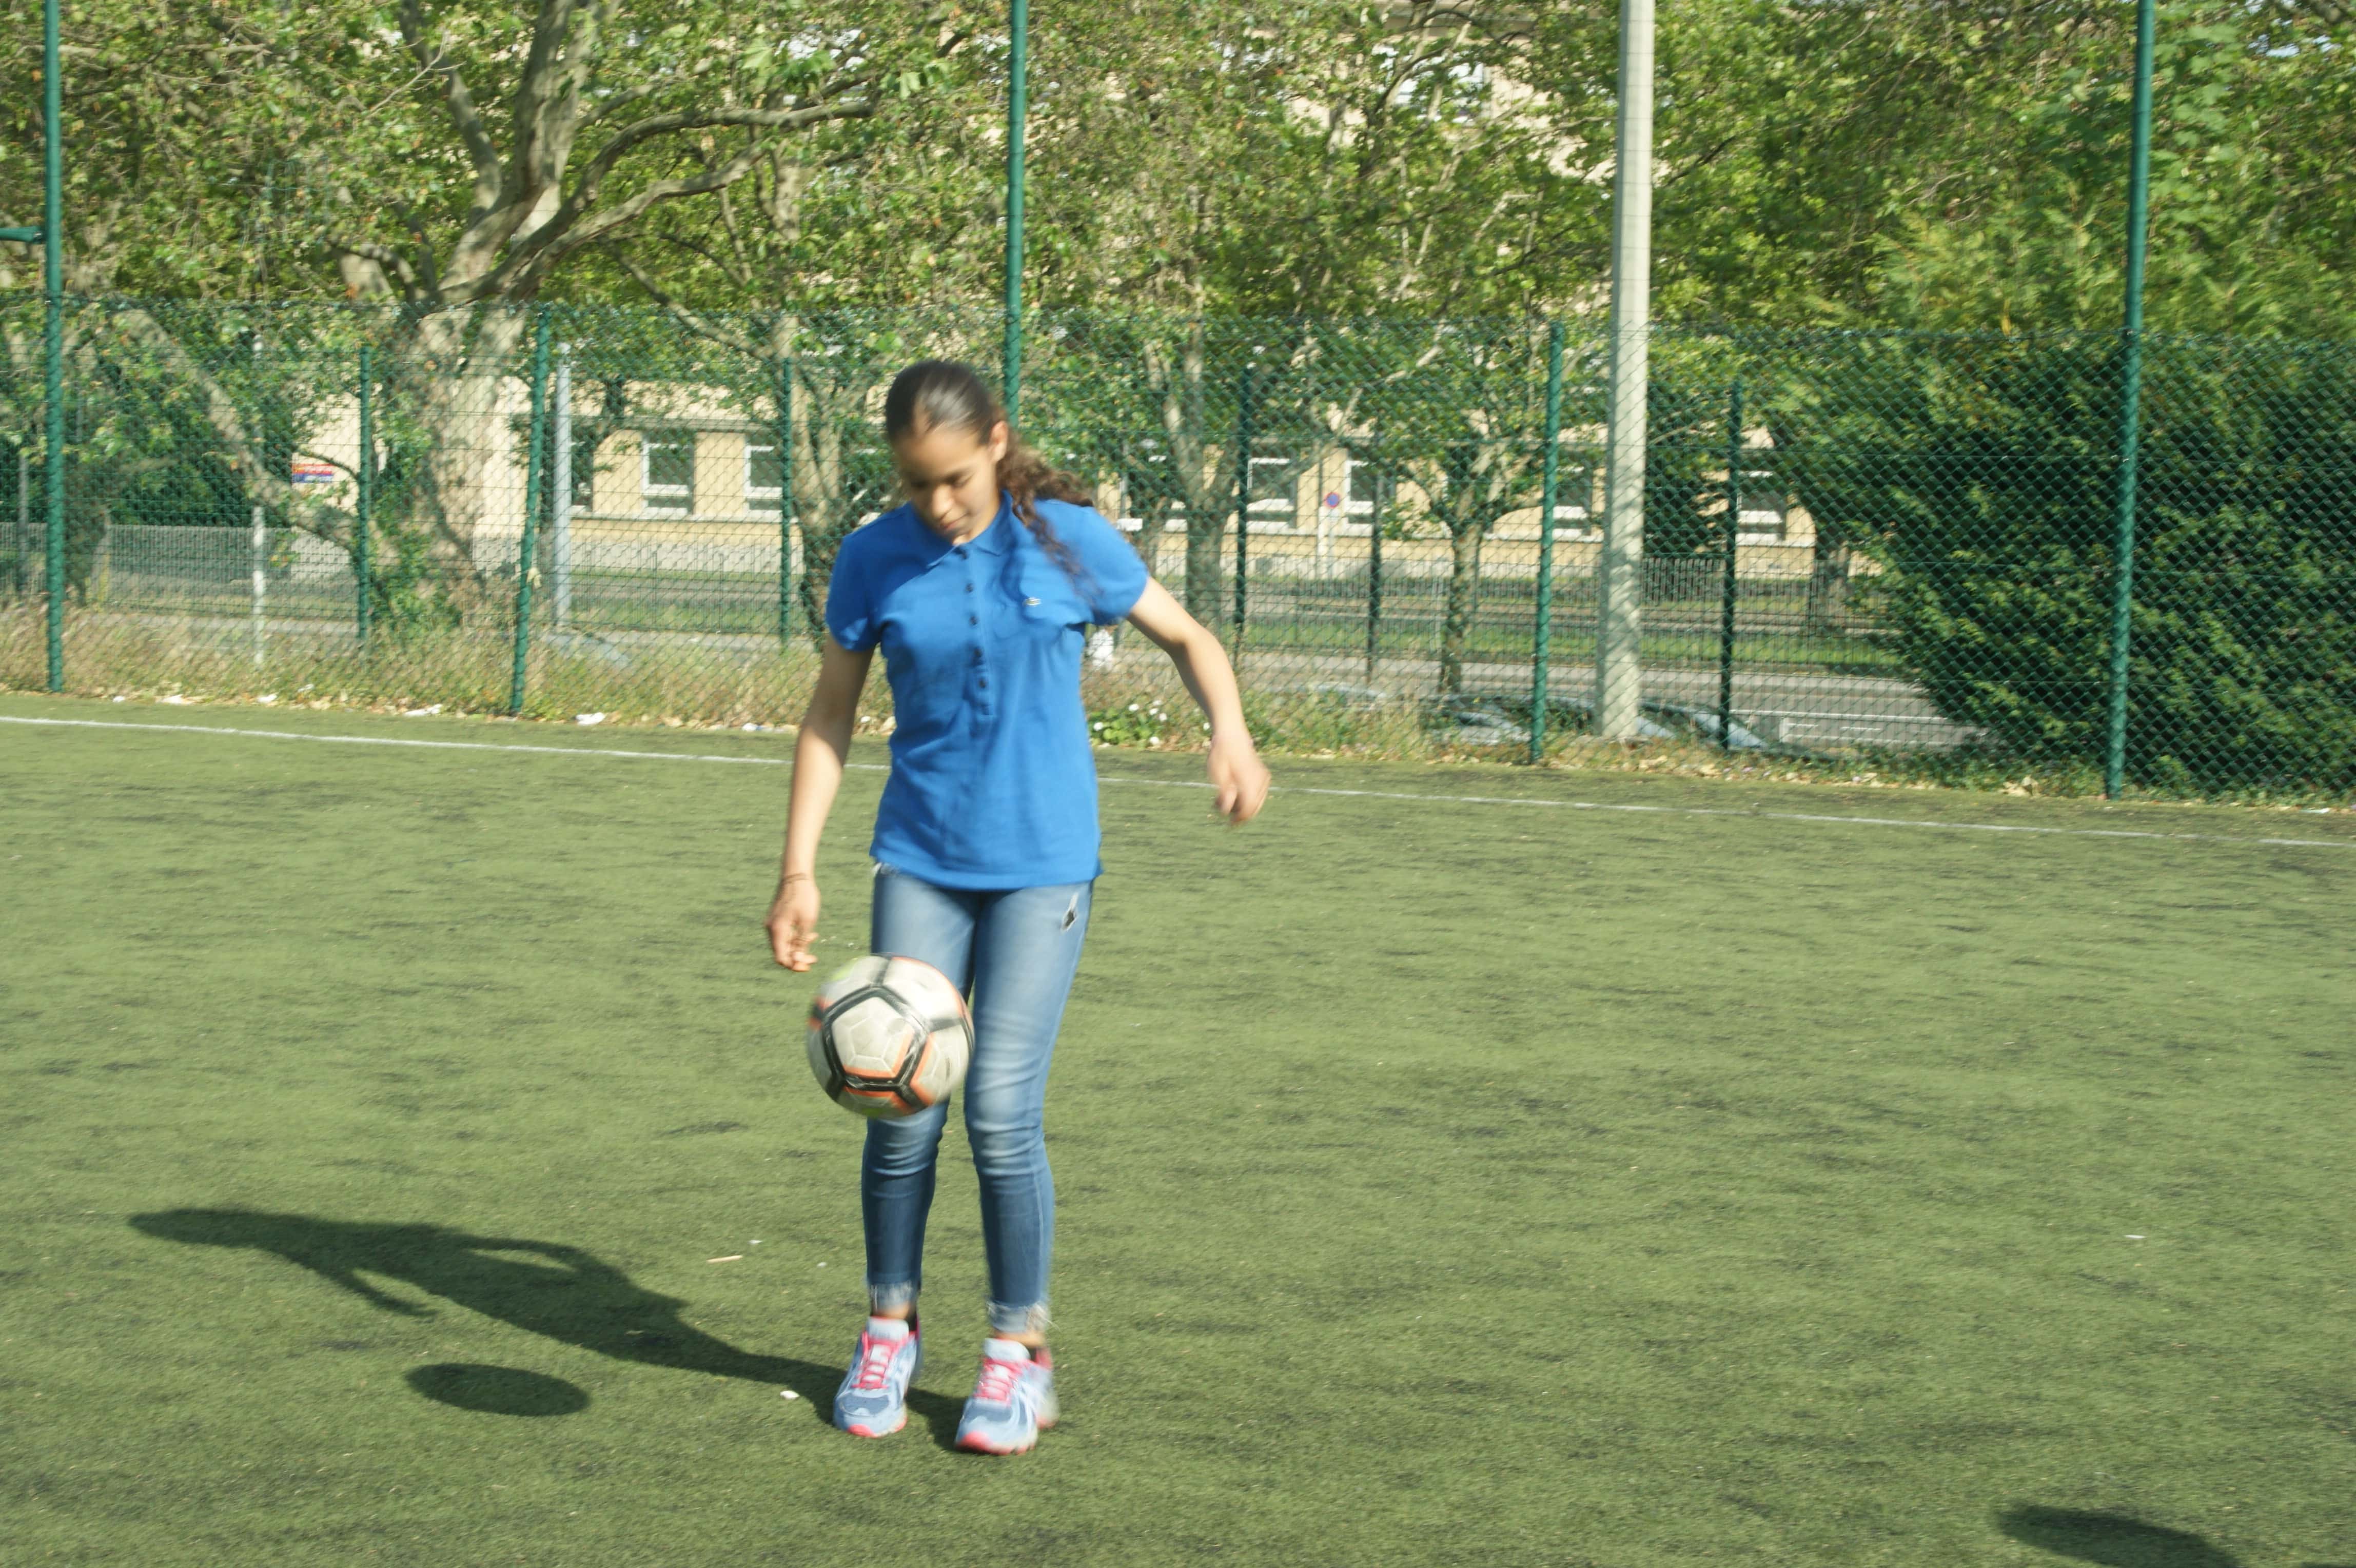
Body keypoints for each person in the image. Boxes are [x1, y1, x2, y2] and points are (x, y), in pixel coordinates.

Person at [764, 360, 1270, 1455]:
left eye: (952, 478)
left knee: (999, 1110)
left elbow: (1190, 638)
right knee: (897, 1107)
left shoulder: (1071, 539)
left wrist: (1227, 730)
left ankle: (1015, 1352)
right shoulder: (873, 559)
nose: (937, 505)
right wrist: (798, 868)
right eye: (915, 486)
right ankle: (887, 1329)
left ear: (995, 441)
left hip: (1044, 865)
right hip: (920, 860)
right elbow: (830, 717)